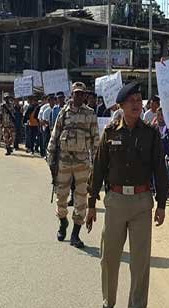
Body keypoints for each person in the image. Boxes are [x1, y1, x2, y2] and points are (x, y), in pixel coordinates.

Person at [85, 82, 169, 308]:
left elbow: (159, 169)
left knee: (140, 262)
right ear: (120, 105)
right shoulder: (110, 132)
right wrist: (91, 204)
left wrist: (163, 203)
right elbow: (98, 169)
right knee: (109, 257)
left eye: (139, 99)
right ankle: (108, 304)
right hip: (116, 201)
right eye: (131, 100)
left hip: (143, 202)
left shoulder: (151, 134)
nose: (136, 103)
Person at [47, 82, 99, 248]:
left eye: (81, 94)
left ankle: (76, 233)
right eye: (76, 93)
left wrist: (97, 164)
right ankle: (63, 222)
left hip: (82, 162)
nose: (79, 96)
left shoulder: (91, 114)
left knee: (81, 198)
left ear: (85, 96)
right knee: (61, 195)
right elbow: (55, 135)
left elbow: (96, 140)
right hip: (64, 160)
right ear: (72, 94)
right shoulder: (63, 112)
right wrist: (50, 158)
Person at [39, 94, 55, 158]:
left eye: (54, 100)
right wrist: (49, 123)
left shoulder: (57, 109)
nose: (53, 102)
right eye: (51, 100)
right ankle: (46, 154)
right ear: (49, 101)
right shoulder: (46, 110)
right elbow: (42, 120)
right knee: (46, 142)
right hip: (47, 128)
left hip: (55, 128)